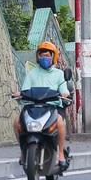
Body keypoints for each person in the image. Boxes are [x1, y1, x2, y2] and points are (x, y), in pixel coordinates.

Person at [14, 42, 70, 171]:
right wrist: (20, 94)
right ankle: (23, 151)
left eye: (48, 55)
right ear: (38, 57)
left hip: (53, 107)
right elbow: (25, 90)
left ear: (53, 57)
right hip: (34, 107)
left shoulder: (59, 74)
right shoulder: (32, 73)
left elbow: (64, 89)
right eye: (42, 55)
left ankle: (60, 153)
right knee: (17, 121)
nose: (45, 58)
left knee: (60, 122)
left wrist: (65, 94)